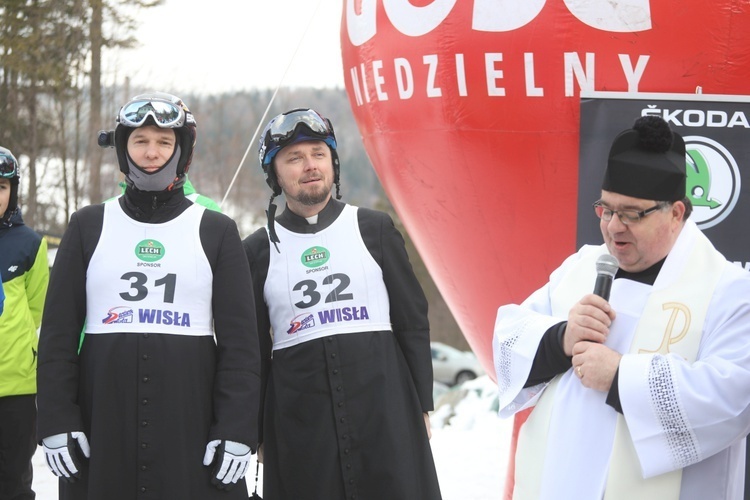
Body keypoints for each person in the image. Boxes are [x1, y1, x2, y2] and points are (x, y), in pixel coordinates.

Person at [492, 115, 750, 499]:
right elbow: (507, 337)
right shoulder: (581, 266)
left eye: (631, 214)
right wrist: (561, 337)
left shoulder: (728, 291)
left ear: (676, 212)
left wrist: (620, 377)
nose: (613, 227)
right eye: (606, 210)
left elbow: (734, 396)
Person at [36, 92, 261, 499]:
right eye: (140, 141)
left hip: (191, 430)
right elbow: (57, 335)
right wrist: (56, 417)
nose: (152, 152)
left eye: (164, 142)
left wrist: (237, 426)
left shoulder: (217, 230)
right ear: (123, 148)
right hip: (102, 427)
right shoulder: (88, 225)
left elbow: (242, 345)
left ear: (181, 149)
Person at [243, 108, 442, 500]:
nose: (309, 166)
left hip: (384, 416)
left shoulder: (374, 228)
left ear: (333, 162)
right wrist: (258, 428)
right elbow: (253, 350)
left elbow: (411, 319)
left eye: (318, 154)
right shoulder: (257, 250)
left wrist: (421, 403)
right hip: (302, 429)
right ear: (276, 175)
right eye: (294, 159)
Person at [0, 146, 49, 500]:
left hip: (15, 388)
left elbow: (36, 310)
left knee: (14, 481)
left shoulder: (30, 244)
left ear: (12, 191)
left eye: (1, 187)